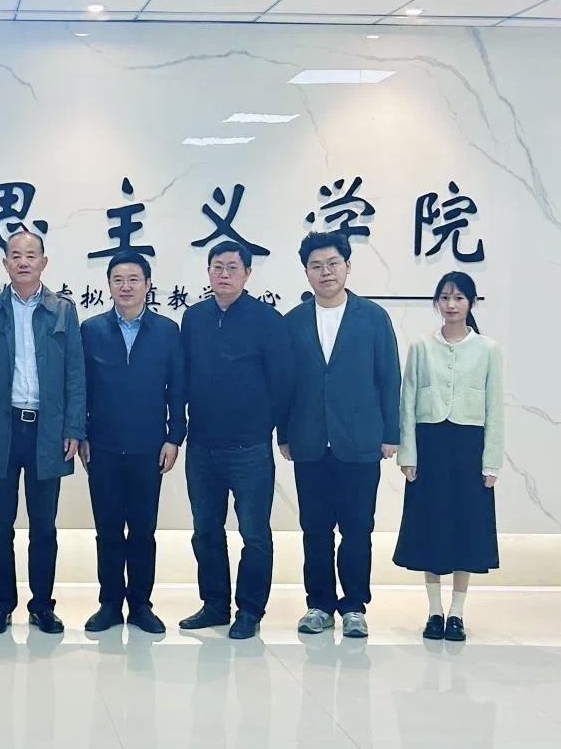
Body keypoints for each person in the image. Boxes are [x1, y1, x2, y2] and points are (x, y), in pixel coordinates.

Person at [0, 229, 86, 636]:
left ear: (43, 262)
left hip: (47, 432)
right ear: (5, 263)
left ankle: (42, 606)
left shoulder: (63, 311)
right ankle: (0, 607)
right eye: (15, 255)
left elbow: (75, 375)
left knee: (44, 527)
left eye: (31, 255)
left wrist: (73, 427)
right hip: (0, 430)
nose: (23, 262)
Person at [278, 232, 401, 640]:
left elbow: (389, 378)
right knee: (314, 529)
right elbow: (285, 384)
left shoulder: (373, 318)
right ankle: (318, 605)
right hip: (309, 441)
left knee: (357, 529)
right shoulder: (293, 321)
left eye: (332, 263)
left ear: (348, 266)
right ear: (306, 273)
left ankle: (353, 607)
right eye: (316, 266)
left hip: (360, 440)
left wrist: (391, 433)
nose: (325, 272)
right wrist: (284, 434)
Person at [180, 241, 293, 640]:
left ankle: (249, 610)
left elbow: (282, 382)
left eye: (232, 267)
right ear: (208, 272)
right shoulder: (194, 318)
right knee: (205, 531)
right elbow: (183, 377)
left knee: (255, 534)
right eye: (217, 267)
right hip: (202, 446)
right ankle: (214, 604)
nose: (224, 274)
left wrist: (270, 429)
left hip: (250, 449)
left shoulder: (267, 320)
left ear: (247, 273)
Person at [78, 251, 184, 635]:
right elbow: (80, 387)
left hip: (149, 447)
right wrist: (82, 434)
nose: (126, 287)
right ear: (108, 285)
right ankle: (109, 603)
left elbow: (177, 388)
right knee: (107, 530)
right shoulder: (91, 330)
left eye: (134, 279)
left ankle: (140, 604)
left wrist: (174, 437)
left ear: (148, 285)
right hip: (102, 447)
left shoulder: (167, 331)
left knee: (142, 531)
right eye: (118, 279)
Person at [394, 272, 504, 643]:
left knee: (465, 527)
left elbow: (495, 407)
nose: (451, 304)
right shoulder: (421, 347)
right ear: (437, 302)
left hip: (469, 446)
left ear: (471, 302)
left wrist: (492, 461)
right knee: (431, 526)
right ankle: (434, 611)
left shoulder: (488, 349)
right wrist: (408, 453)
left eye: (459, 298)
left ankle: (457, 613)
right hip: (430, 445)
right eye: (444, 297)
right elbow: (407, 402)